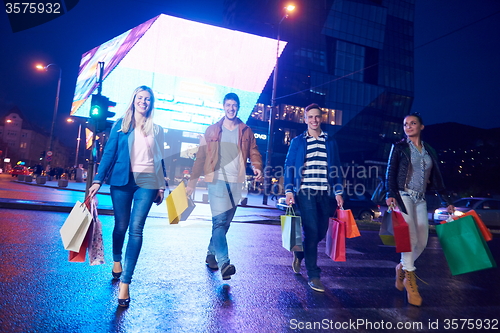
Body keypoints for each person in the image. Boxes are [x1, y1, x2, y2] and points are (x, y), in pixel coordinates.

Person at [88, 86, 166, 307]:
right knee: (121, 226)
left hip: (147, 183)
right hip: (121, 181)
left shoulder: (157, 129)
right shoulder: (120, 126)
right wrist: (97, 180)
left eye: (148, 99)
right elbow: (109, 155)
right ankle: (116, 260)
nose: (144, 102)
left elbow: (159, 159)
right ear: (134, 100)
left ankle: (125, 283)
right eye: (140, 98)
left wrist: (160, 185)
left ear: (151, 103)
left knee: (137, 229)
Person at [186, 93, 263, 280]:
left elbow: (253, 151)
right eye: (228, 105)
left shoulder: (245, 130)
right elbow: (201, 157)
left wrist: (257, 166)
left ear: (238, 107)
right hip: (216, 180)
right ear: (223, 106)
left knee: (225, 223)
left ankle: (211, 255)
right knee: (219, 222)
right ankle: (224, 263)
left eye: (234, 105)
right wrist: (192, 182)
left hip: (236, 181)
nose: (231, 108)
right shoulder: (212, 130)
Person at [385, 112, 454, 307]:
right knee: (410, 237)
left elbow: (437, 178)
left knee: (422, 241)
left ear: (421, 127)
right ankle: (410, 279)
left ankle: (401, 267)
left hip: (421, 198)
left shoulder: (430, 150)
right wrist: (390, 193)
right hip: (403, 195)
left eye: (413, 123)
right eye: (406, 124)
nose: (409, 127)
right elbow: (390, 172)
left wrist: (446, 199)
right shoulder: (399, 148)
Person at [284, 103, 344, 292]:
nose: (314, 120)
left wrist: (338, 191)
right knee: (311, 230)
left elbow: (335, 167)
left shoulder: (331, 141)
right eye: (310, 117)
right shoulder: (298, 142)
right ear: (305, 119)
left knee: (320, 232)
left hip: (325, 193)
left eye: (317, 116)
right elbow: (289, 166)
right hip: (305, 191)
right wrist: (289, 190)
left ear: (321, 118)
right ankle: (314, 275)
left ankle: (300, 253)